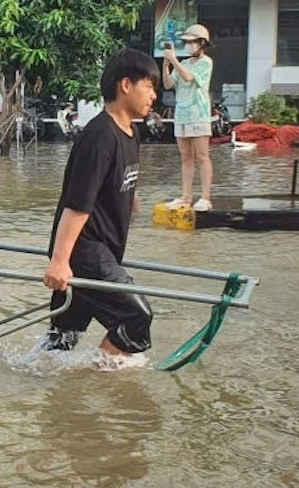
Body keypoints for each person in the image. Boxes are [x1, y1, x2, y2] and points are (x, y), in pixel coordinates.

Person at [42, 49, 159, 371]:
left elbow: (115, 183)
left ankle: (54, 392)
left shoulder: (131, 133)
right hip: (85, 251)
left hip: (103, 249)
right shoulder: (99, 136)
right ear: (126, 85)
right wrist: (60, 261)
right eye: (149, 86)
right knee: (136, 318)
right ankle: (97, 380)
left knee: (61, 343)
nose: (154, 95)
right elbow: (76, 205)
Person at [163, 24, 215, 212]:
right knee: (186, 158)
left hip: (198, 114)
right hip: (181, 115)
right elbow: (168, 84)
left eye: (192, 42)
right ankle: (186, 196)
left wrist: (174, 60)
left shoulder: (206, 62)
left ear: (202, 43)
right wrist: (166, 65)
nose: (188, 45)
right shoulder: (183, 63)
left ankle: (205, 197)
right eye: (186, 42)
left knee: (202, 156)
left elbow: (188, 78)